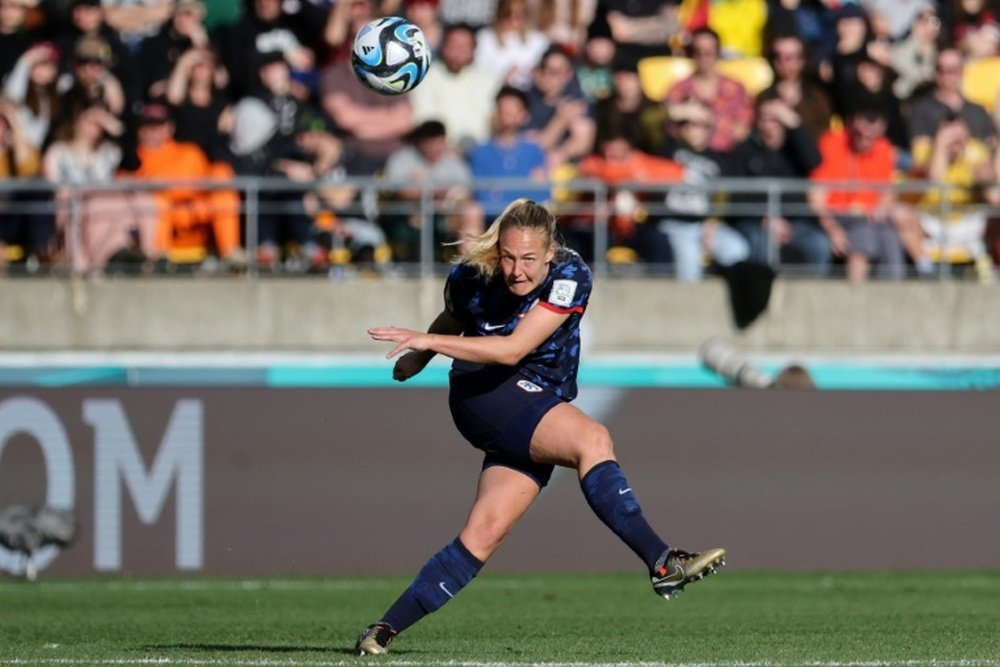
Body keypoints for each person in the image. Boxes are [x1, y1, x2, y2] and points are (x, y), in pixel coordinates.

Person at [358, 198, 726, 655]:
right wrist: (423, 352)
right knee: (593, 439)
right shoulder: (472, 276)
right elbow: (457, 319)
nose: (516, 270)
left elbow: (515, 347)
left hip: (530, 397)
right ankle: (661, 560)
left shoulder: (570, 276)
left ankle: (382, 631)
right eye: (508, 257)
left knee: (484, 533)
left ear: (551, 252)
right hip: (486, 393)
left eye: (528, 259)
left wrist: (428, 343)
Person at [809, 102, 908, 282]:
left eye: (871, 137)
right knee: (863, 235)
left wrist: (881, 207)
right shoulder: (830, 144)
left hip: (872, 217)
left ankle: (894, 298)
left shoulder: (884, 148)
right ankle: (856, 296)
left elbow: (888, 192)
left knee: (890, 238)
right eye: (859, 134)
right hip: (838, 215)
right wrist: (832, 229)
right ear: (851, 125)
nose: (864, 141)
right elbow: (816, 197)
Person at [664, 27, 754, 152]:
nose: (703, 58)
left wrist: (710, 120)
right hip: (688, 157)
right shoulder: (678, 90)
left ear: (717, 53)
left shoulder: (736, 89)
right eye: (697, 52)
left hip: (728, 158)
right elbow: (669, 130)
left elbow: (743, 131)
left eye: (708, 52)